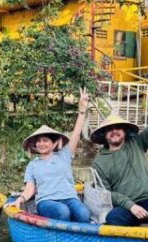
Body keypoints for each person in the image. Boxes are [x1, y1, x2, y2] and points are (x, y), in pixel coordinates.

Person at [91, 81, 148, 227]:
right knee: (113, 218)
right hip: (127, 206)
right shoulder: (99, 162)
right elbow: (105, 193)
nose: (114, 131)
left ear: (125, 132)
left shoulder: (137, 143)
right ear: (104, 135)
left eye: (118, 128)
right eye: (109, 129)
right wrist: (130, 205)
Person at [14, 89, 91, 222]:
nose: (41, 144)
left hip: (70, 198)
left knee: (84, 213)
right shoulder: (32, 165)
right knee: (62, 211)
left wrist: (82, 110)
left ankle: (80, 234)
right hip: (46, 201)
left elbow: (76, 135)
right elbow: (30, 189)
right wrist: (20, 199)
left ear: (54, 143)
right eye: (38, 141)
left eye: (45, 140)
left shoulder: (64, 155)